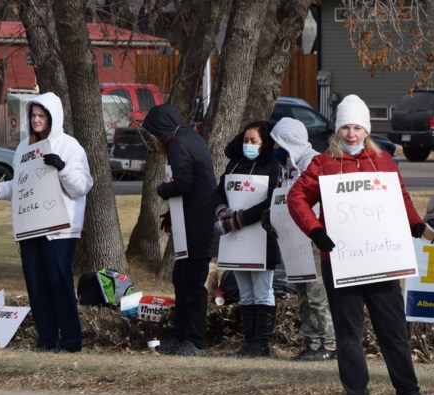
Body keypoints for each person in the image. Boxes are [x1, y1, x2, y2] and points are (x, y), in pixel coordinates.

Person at [287, 94, 434, 395]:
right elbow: (296, 196)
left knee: (394, 333)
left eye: (357, 127)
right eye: (345, 127)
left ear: (366, 129)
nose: (351, 134)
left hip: (382, 262)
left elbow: (401, 198)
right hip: (341, 263)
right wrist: (315, 230)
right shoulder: (323, 163)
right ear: (338, 130)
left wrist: (416, 225)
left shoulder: (384, 161)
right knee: (349, 334)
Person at [0, 92, 93, 352]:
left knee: (59, 284)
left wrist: (62, 168)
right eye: (33, 115)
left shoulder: (69, 146)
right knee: (37, 286)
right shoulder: (24, 148)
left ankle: (70, 341)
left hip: (60, 229)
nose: (36, 120)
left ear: (52, 118)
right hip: (31, 227)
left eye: (41, 116)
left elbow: (82, 186)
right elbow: (22, 186)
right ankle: (46, 339)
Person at [142, 103, 217, 356]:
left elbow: (183, 182)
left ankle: (194, 341)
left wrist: (162, 190)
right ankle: (182, 337)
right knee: (182, 279)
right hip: (195, 222)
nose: (153, 140)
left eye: (153, 134)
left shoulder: (177, 144)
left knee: (191, 282)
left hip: (196, 226)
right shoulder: (191, 138)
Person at [269, 117, 337, 361]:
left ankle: (329, 346)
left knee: (317, 293)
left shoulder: (313, 162)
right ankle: (312, 344)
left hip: (313, 238)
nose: (273, 148)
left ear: (288, 142)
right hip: (292, 240)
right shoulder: (286, 167)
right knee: (303, 295)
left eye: (277, 143)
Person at [212, 121, 281, 357]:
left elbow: (271, 201)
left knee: (263, 291)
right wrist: (222, 211)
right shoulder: (235, 164)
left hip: (261, 238)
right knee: (246, 294)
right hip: (234, 239)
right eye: (245, 140)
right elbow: (219, 191)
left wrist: (239, 220)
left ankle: (261, 344)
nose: (248, 145)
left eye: (254, 141)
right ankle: (249, 343)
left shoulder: (273, 165)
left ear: (264, 144)